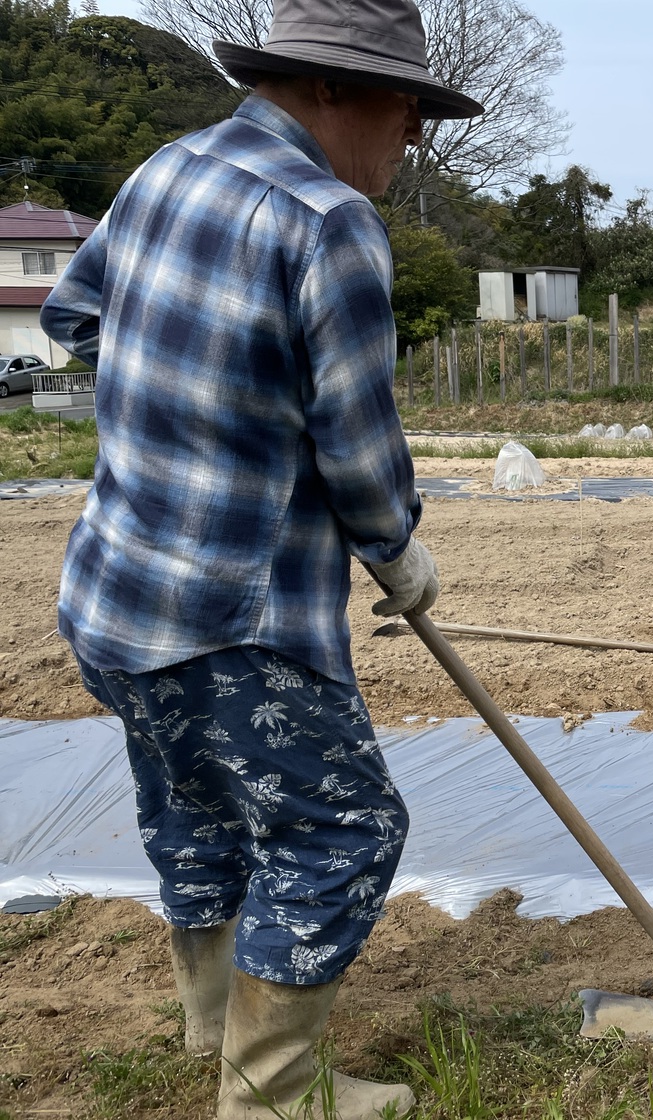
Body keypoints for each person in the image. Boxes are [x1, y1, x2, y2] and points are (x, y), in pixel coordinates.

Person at [40, 0, 483, 1114]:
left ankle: (208, 1029)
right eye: (405, 103)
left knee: (192, 802)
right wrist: (396, 546)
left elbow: (74, 314)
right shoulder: (327, 220)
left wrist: (180, 411)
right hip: (229, 623)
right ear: (327, 88)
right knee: (344, 829)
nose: (416, 131)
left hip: (111, 599)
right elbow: (355, 439)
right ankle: (273, 1094)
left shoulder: (166, 167)